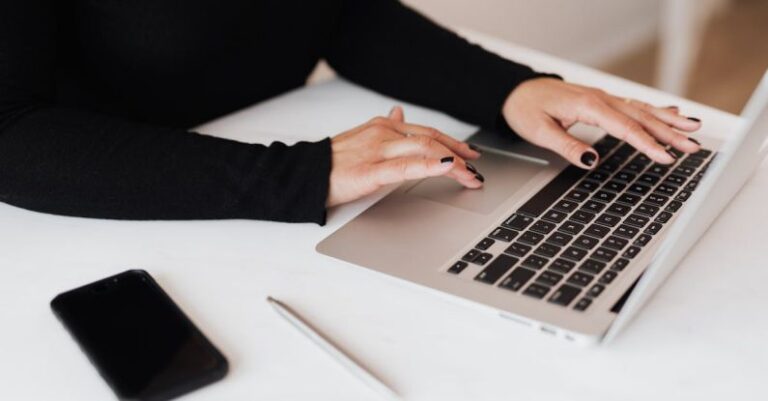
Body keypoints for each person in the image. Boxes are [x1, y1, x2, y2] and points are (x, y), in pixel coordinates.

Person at [0, 0, 702, 224]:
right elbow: (11, 133)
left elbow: (336, 14)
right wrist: (302, 175)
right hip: (100, 212)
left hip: (254, 185)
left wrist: (510, 91)